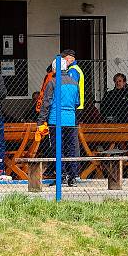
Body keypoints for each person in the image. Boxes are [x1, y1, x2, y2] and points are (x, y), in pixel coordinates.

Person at [38, 57, 81, 187]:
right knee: (71, 148)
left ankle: (61, 175)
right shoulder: (74, 83)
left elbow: (46, 103)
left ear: (54, 69)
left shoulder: (52, 82)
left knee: (57, 148)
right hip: (70, 120)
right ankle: (72, 177)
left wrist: (41, 120)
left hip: (55, 120)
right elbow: (77, 102)